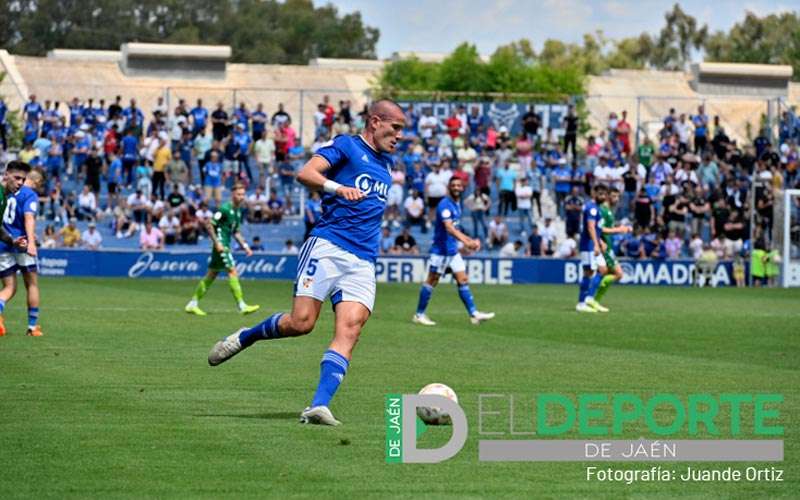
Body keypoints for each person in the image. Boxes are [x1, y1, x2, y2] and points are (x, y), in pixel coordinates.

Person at [207, 99, 405, 426]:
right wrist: (337, 188)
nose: (399, 136)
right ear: (375, 122)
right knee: (301, 323)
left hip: (364, 260)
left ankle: (318, 406)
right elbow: (306, 173)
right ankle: (247, 336)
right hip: (328, 245)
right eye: (395, 128)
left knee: (351, 328)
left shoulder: (387, 164)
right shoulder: (346, 145)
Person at [413, 177, 494, 326]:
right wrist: (467, 242)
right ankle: (419, 314)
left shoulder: (457, 204)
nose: (456, 187)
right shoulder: (445, 205)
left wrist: (466, 241)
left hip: (452, 251)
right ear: (449, 188)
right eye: (453, 185)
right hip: (441, 251)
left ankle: (474, 314)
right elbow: (449, 228)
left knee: (462, 279)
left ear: (463, 188)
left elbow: (455, 228)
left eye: (459, 185)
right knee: (432, 281)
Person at [185, 183, 259, 316]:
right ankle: (242, 305)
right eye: (239, 194)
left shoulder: (238, 211)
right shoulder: (225, 208)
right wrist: (217, 243)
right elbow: (210, 225)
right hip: (221, 245)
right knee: (232, 270)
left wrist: (246, 247)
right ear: (233, 194)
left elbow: (236, 231)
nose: (241, 197)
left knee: (212, 274)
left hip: (224, 244)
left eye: (243, 194)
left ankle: (192, 304)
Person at [0, 162, 37, 336]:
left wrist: (12, 240)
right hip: (18, 244)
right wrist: (31, 242)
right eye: (17, 178)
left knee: (10, 287)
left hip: (8, 244)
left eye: (23, 179)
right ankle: (32, 326)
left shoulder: (4, 198)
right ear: (6, 175)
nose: (20, 182)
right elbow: (29, 218)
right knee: (30, 284)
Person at [592, 187, 632, 309]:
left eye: (618, 196)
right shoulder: (603, 210)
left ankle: (594, 301)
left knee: (605, 272)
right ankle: (593, 298)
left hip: (608, 245)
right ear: (608, 196)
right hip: (605, 246)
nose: (617, 199)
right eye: (614, 196)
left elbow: (607, 227)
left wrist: (620, 227)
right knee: (618, 274)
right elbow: (600, 229)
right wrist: (619, 230)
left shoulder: (609, 210)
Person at [576, 184, 608, 313]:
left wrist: (600, 241)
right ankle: (581, 303)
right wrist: (596, 244)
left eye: (604, 194)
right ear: (593, 193)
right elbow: (590, 227)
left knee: (603, 269)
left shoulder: (597, 208)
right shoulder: (591, 208)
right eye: (600, 193)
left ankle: (589, 298)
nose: (603, 196)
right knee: (588, 272)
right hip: (588, 245)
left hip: (593, 243)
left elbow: (596, 228)